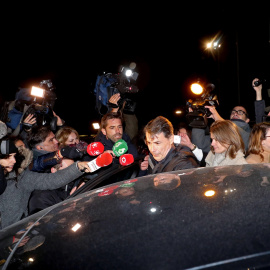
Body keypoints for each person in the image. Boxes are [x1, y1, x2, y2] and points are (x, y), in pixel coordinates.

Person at [0, 137, 92, 229]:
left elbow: (51, 180)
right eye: (8, 157)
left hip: (13, 236)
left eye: (14, 156)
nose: (14, 161)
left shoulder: (21, 178)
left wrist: (78, 168)